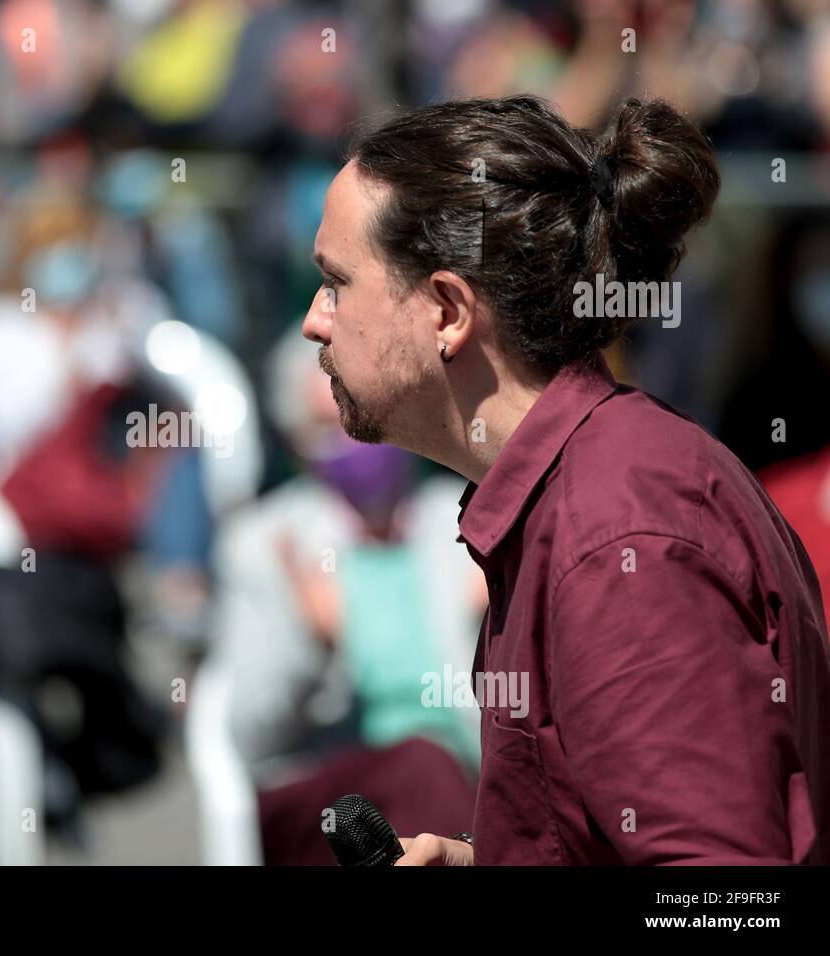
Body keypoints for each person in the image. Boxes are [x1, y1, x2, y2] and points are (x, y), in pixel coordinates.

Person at [301, 94, 830, 865]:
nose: (317, 319)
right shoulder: (576, 496)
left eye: (337, 282)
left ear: (447, 310)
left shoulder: (620, 537)